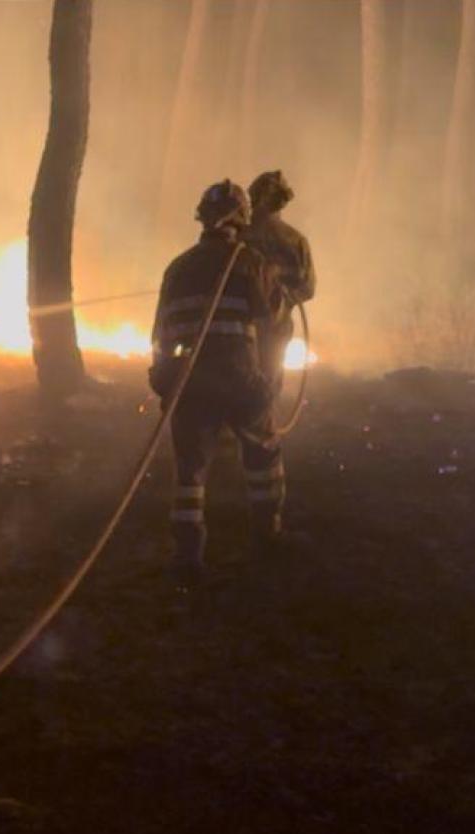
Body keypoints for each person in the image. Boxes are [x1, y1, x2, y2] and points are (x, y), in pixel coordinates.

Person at [149, 181, 287, 580]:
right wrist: (268, 379)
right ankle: (267, 536)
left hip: (190, 380)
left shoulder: (177, 268)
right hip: (240, 376)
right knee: (262, 453)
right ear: (241, 218)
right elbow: (272, 323)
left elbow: (161, 334)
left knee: (189, 468)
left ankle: (188, 554)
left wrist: (163, 380)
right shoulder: (250, 262)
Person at [242, 169, 315, 384]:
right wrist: (282, 302)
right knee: (265, 390)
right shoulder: (296, 240)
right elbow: (308, 288)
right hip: (275, 330)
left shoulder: (238, 235)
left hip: (235, 330)